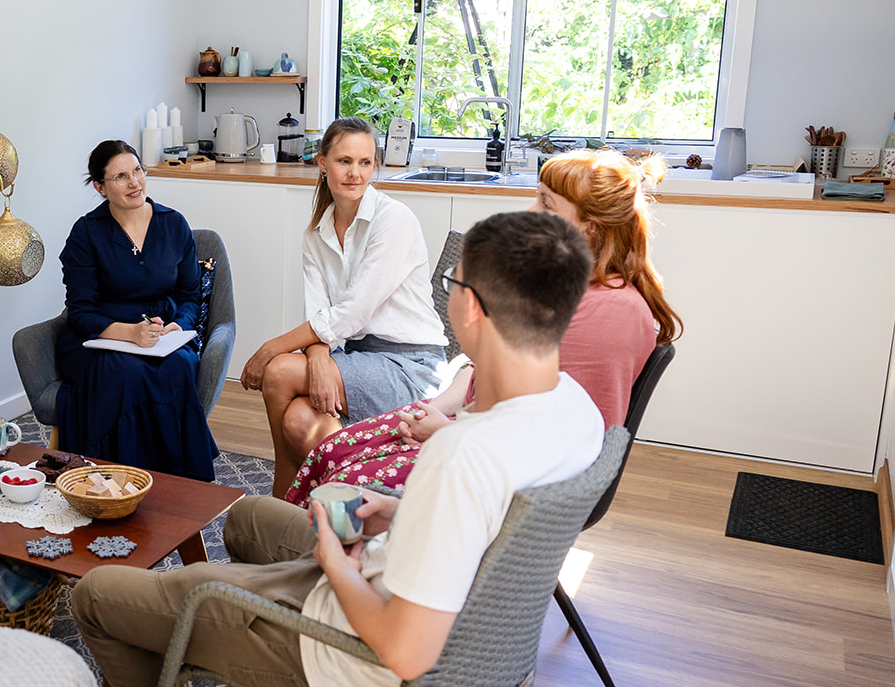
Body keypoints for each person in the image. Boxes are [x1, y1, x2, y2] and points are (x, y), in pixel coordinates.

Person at [73, 210, 605, 687]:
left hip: (354, 662)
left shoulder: (463, 454)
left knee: (99, 598)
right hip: (464, 635)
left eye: (453, 283)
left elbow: (405, 652)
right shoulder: (577, 411)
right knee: (248, 520)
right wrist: (401, 512)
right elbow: (494, 529)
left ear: (472, 309)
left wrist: (335, 565)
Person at [283, 149, 683, 503]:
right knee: (332, 450)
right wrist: (437, 408)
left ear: (588, 228)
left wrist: (447, 432)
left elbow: (562, 445)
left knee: (344, 476)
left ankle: (321, 551)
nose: (531, 213)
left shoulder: (609, 315)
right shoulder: (570, 283)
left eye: (546, 205)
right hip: (471, 426)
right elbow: (486, 373)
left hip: (498, 470)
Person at [240, 118, 447, 497]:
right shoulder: (316, 236)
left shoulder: (393, 219)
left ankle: (282, 498)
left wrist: (271, 348)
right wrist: (319, 358)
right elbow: (321, 315)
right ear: (322, 163)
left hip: (411, 366)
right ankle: (335, 499)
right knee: (299, 420)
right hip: (354, 358)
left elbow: (353, 313)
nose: (355, 173)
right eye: (344, 161)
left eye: (365, 163)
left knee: (280, 369)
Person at [57, 140, 219, 480]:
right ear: (100, 187)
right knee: (126, 371)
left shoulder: (174, 224)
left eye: (137, 171)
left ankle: (177, 483)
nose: (134, 183)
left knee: (177, 365)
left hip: (163, 334)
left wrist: (179, 325)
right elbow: (80, 312)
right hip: (103, 336)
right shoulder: (86, 233)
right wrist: (130, 333)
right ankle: (118, 478)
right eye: (120, 177)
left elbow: (189, 296)